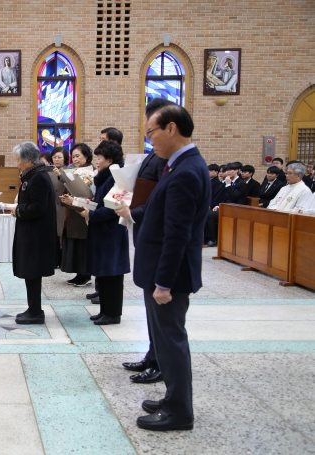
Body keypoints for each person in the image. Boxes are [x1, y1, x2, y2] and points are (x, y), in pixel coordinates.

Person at [115, 102, 209, 432]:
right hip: (160, 270)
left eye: (151, 132)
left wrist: (164, 283)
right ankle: (172, 397)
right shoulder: (178, 164)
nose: (149, 140)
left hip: (170, 275)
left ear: (171, 128)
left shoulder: (185, 171)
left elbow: (177, 234)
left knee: (171, 341)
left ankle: (179, 411)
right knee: (165, 339)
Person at [118, 98, 171, 384]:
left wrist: (133, 211)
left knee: (161, 311)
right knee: (150, 306)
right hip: (145, 234)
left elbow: (158, 199)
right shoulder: (153, 154)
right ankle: (152, 355)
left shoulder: (169, 160)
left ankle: (161, 363)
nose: (146, 131)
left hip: (155, 234)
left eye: (150, 127)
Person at [72, 140, 130, 326]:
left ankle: (113, 314)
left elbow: (114, 208)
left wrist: (91, 214)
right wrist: (84, 204)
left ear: (110, 160)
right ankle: (105, 310)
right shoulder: (105, 176)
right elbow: (101, 202)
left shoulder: (117, 177)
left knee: (112, 274)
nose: (97, 161)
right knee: (103, 274)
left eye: (99, 157)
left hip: (111, 232)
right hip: (101, 231)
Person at [10, 142, 56, 324]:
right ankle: (33, 309)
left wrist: (18, 210)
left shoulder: (39, 178)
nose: (17, 164)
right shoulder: (33, 175)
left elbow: (38, 208)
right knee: (31, 272)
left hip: (36, 235)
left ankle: (36, 312)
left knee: (33, 272)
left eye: (18, 160)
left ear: (29, 160)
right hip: (31, 232)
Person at [58, 143, 94, 287]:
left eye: (78, 156)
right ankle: (79, 273)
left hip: (84, 211)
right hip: (72, 210)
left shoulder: (91, 172)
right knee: (74, 243)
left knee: (82, 244)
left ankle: (85, 275)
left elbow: (91, 193)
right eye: (73, 157)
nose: (75, 159)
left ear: (87, 156)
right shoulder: (72, 171)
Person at [204, 162, 247, 247]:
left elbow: (233, 197)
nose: (228, 172)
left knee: (209, 216)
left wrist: (228, 185)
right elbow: (224, 198)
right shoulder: (227, 182)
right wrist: (218, 206)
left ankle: (213, 239)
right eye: (227, 170)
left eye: (230, 170)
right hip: (226, 207)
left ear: (237, 171)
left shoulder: (241, 183)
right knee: (205, 213)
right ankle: (205, 238)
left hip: (236, 209)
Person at [50, 147, 69, 268]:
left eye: (59, 157)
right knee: (53, 234)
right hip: (52, 206)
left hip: (64, 206)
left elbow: (70, 184)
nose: (56, 160)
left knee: (62, 233)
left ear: (65, 158)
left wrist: (60, 175)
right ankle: (54, 259)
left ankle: (63, 260)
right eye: (54, 157)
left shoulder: (68, 170)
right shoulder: (49, 171)